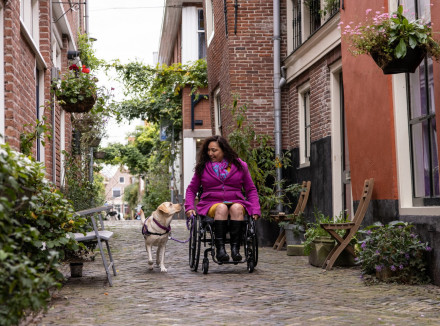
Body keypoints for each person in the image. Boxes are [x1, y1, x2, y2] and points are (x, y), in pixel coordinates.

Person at [185, 135, 260, 262]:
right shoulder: (202, 167)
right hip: (211, 203)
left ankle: (235, 250)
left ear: (224, 150)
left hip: (236, 200)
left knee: (236, 208)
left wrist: (256, 209)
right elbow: (191, 189)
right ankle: (220, 250)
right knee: (222, 207)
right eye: (208, 150)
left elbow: (250, 189)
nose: (210, 153)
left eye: (214, 150)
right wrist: (189, 207)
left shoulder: (240, 166)